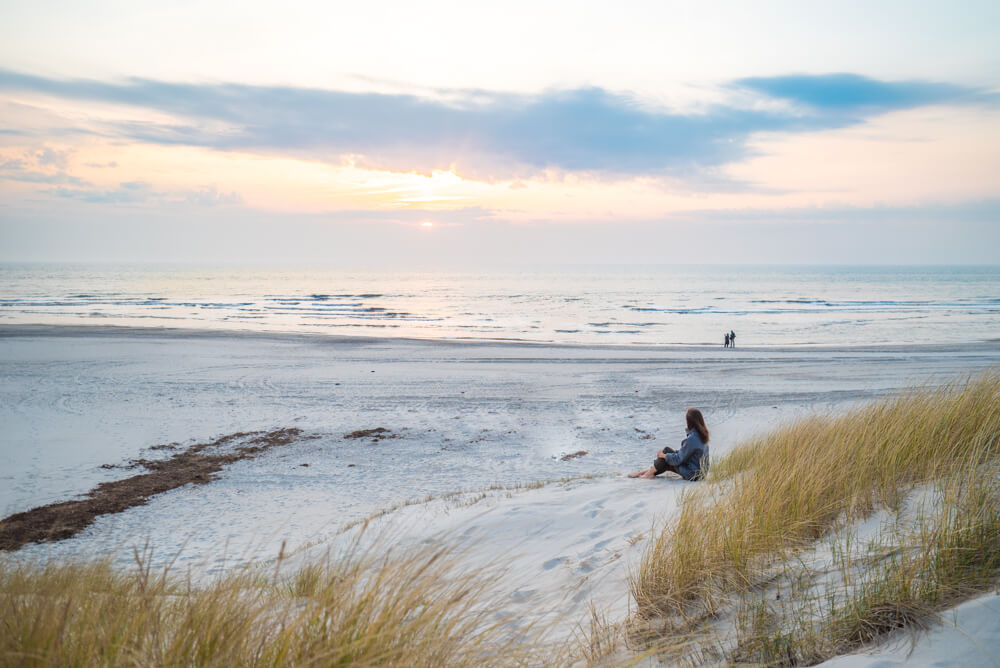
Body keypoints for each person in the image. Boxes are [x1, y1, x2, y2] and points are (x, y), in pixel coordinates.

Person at [628, 408, 710, 480]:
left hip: (693, 474)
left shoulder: (692, 439)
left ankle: (647, 474)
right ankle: (645, 472)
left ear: (689, 421)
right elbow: (685, 453)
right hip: (700, 473)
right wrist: (666, 456)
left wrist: (663, 455)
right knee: (667, 458)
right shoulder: (703, 434)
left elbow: (678, 459)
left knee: (666, 453)